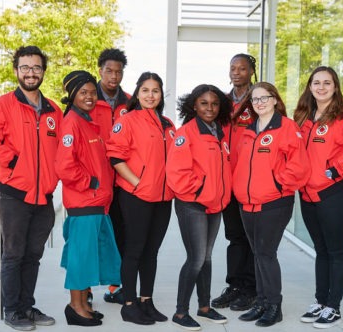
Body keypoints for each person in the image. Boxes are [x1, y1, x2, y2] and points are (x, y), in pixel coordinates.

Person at [0, 45, 62, 331]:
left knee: (33, 255)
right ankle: (12, 309)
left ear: (43, 72)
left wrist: (54, 175)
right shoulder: (1, 105)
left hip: (44, 196)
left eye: (36, 67)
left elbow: (60, 150)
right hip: (14, 194)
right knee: (13, 254)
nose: (30, 72)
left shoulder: (53, 111)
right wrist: (14, 160)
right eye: (25, 67)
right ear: (16, 71)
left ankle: (26, 305)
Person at [233, 82, 310, 327]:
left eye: (264, 98)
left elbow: (298, 166)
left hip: (274, 203)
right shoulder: (249, 129)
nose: (260, 103)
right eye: (255, 99)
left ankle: (274, 305)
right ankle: (261, 301)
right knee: (257, 254)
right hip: (248, 204)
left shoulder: (286, 127)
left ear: (275, 99)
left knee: (266, 253)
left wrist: (277, 186)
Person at [294, 66, 343, 328]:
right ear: (310, 87)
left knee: (335, 250)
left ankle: (333, 307)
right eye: (316, 83)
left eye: (327, 83)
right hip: (307, 195)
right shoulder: (303, 117)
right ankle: (320, 301)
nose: (321, 87)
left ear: (335, 87)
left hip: (334, 193)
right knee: (320, 250)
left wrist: (330, 172)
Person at [106, 72, 176, 325]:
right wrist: (138, 183)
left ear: (161, 95)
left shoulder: (168, 124)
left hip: (164, 197)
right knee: (134, 250)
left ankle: (147, 300)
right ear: (137, 93)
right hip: (136, 196)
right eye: (145, 90)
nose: (150, 95)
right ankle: (129, 303)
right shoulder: (128, 120)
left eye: (155, 90)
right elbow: (115, 157)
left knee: (152, 252)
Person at [55, 70, 121, 326]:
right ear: (73, 96)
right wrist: (90, 183)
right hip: (84, 202)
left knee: (88, 256)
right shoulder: (72, 122)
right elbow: (64, 166)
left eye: (93, 92)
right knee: (80, 258)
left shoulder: (86, 120)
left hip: (96, 203)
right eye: (83, 92)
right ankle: (75, 307)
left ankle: (83, 304)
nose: (90, 97)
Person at [166, 84, 233, 330]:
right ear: (194, 105)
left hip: (214, 205)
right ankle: (181, 313)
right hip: (192, 204)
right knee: (195, 259)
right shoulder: (186, 133)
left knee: (206, 258)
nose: (210, 108)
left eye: (214, 103)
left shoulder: (219, 132)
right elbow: (176, 172)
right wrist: (200, 192)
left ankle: (204, 307)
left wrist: (218, 195)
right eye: (204, 103)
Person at [212, 53, 258, 312]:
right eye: (233, 68)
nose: (236, 72)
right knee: (235, 237)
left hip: (251, 181)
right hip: (227, 182)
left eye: (242, 68)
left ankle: (251, 289)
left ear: (251, 71)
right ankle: (235, 286)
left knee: (252, 238)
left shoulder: (259, 99)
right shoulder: (222, 102)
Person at [89, 48, 130, 306]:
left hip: (122, 180)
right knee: (90, 236)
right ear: (100, 70)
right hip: (93, 180)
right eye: (109, 71)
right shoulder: (86, 97)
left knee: (121, 234)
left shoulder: (130, 102)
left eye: (118, 71)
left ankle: (115, 287)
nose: (113, 76)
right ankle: (87, 291)